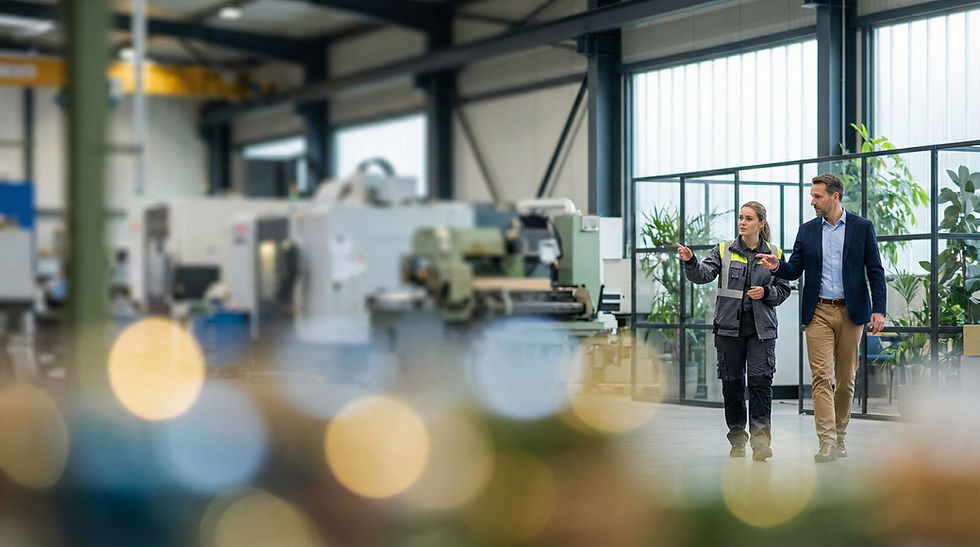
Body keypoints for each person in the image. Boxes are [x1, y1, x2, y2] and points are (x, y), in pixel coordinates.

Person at [757, 173, 886, 462]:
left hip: (852, 313)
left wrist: (879, 309)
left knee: (846, 380)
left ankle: (839, 436)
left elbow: (875, 270)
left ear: (834, 197)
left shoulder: (862, 228)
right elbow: (795, 270)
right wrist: (778, 266)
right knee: (820, 378)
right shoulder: (807, 230)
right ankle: (826, 441)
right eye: (812, 196)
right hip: (818, 312)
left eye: (817, 196)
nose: (812, 201)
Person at [677, 201, 791, 461]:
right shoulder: (723, 249)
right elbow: (703, 275)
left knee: (761, 384)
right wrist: (691, 261)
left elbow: (784, 289)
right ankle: (738, 438)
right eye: (740, 217)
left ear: (761, 224)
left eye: (749, 218)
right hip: (729, 329)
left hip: (761, 331)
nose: (742, 222)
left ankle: (761, 441)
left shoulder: (774, 252)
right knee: (733, 385)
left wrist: (766, 292)